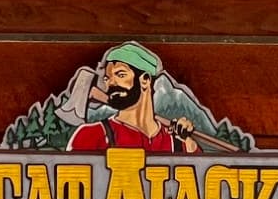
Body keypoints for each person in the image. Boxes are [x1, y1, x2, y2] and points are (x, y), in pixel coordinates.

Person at [67, 42, 204, 154]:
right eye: (107, 78)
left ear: (145, 80)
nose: (110, 84)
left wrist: (189, 146)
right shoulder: (90, 136)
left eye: (120, 75)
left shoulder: (178, 143)